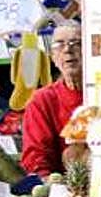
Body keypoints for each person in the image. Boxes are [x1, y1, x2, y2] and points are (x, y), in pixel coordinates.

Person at [20, 21, 84, 177]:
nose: (68, 50)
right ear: (53, 57)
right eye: (59, 45)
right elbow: (35, 155)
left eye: (76, 43)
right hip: (62, 188)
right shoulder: (42, 100)